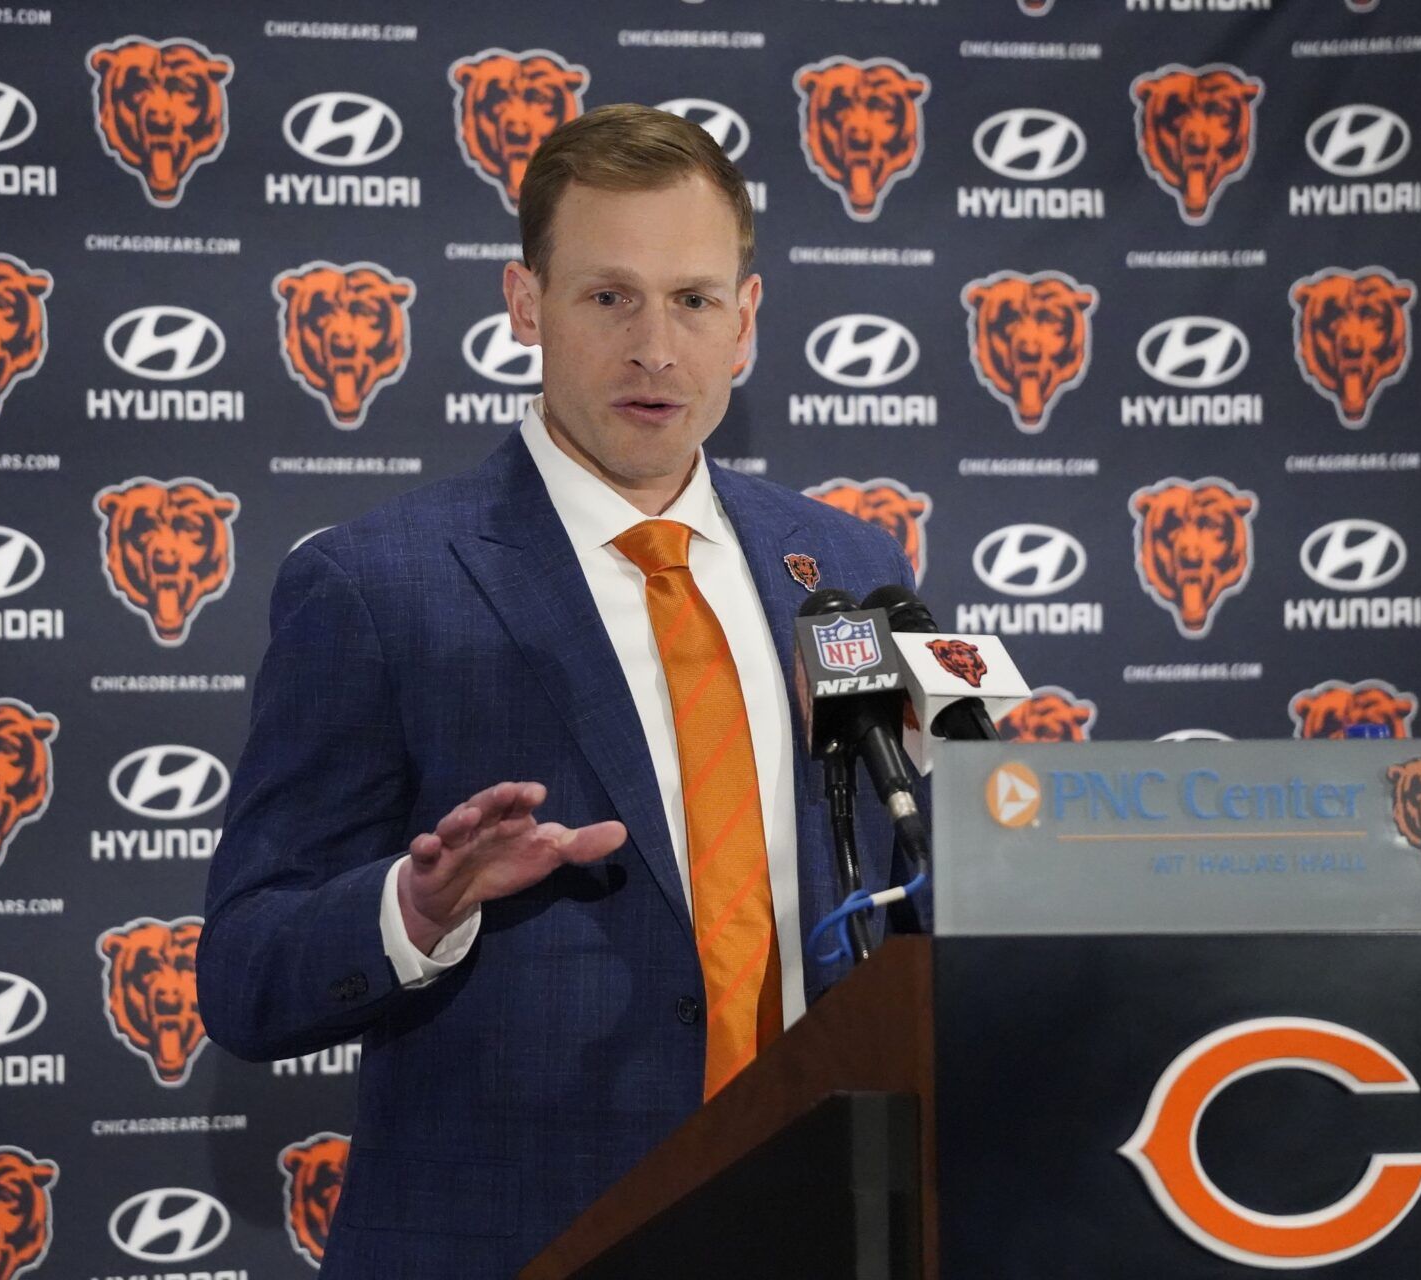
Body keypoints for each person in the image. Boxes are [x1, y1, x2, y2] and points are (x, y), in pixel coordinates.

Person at [197, 103, 917, 1277]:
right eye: (606, 296)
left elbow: (920, 875)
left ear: (746, 318)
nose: (654, 346)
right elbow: (244, 972)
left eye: (691, 299)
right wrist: (415, 909)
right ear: (525, 304)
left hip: (826, 1222)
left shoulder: (845, 569)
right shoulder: (377, 587)